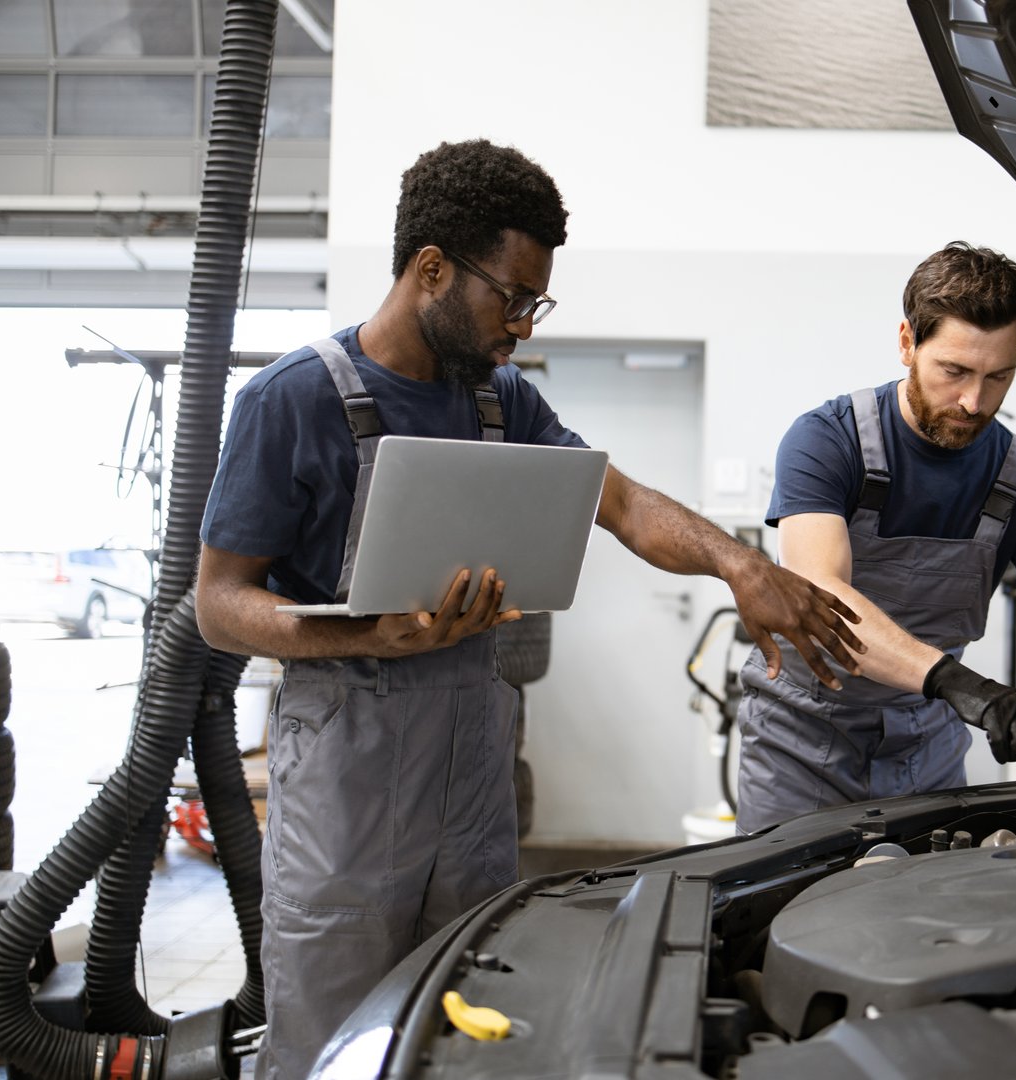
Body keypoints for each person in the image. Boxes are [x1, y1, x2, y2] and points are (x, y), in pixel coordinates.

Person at [194, 139, 862, 1078]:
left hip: (474, 766)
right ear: (430, 268)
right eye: (510, 297)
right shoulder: (291, 400)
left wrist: (738, 565)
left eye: (534, 302)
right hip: (348, 767)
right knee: (330, 1027)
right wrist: (355, 632)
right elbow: (217, 606)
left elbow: (620, 503)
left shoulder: (503, 402)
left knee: (471, 1017)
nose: (523, 325)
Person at [735, 241, 1016, 833]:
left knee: (921, 914)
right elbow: (822, 596)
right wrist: (970, 689)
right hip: (803, 743)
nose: (973, 401)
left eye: (998, 377)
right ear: (908, 342)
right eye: (954, 371)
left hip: (925, 748)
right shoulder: (827, 441)